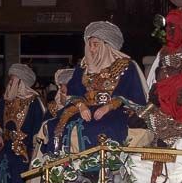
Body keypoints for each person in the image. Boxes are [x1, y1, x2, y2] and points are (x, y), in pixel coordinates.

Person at [50, 22, 147, 153]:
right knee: (55, 126)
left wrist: (108, 107)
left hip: (114, 109)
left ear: (106, 46)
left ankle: (97, 167)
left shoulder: (126, 66)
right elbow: (74, 90)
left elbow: (131, 94)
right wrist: (81, 106)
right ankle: (61, 165)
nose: (91, 49)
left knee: (101, 127)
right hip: (84, 109)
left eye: (95, 45)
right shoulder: (84, 67)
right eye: (89, 45)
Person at [0, 64, 46, 183]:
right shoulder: (6, 99)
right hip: (6, 144)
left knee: (18, 175)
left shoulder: (34, 101)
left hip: (25, 147)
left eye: (13, 79)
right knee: (2, 170)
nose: (10, 82)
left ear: (21, 81)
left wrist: (36, 149)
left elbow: (39, 125)